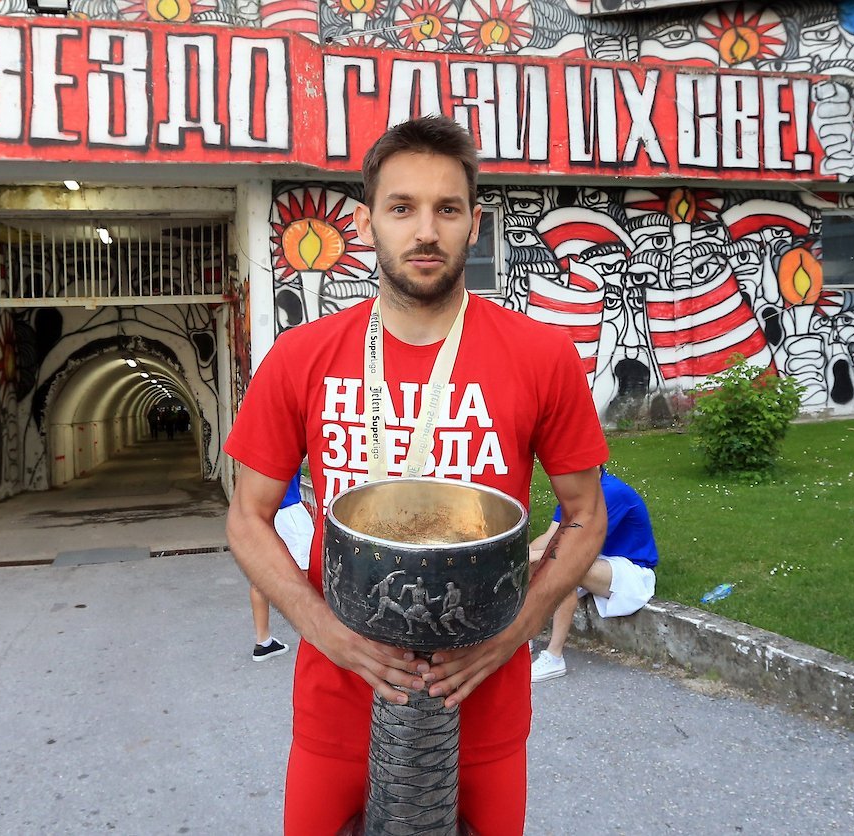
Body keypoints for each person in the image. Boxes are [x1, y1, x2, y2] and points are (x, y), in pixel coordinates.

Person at [224, 115, 608, 835]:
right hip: (339, 702)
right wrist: (324, 630)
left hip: (482, 701)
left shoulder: (540, 355)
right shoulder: (302, 356)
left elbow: (585, 513)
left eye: (448, 209)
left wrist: (514, 633)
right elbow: (247, 517)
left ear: (474, 224)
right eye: (402, 207)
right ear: (367, 220)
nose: (425, 231)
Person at [528, 468, 659, 682]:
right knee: (536, 565)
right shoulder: (575, 492)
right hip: (599, 562)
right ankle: (525, 637)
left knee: (565, 568)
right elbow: (551, 536)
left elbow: (574, 548)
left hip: (633, 572)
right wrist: (520, 556)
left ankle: (554, 657)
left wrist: (532, 557)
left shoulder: (611, 492)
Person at [250, 474, 313, 661]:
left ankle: (263, 641)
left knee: (260, 575)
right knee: (308, 575)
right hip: (288, 508)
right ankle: (315, 643)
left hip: (260, 511)